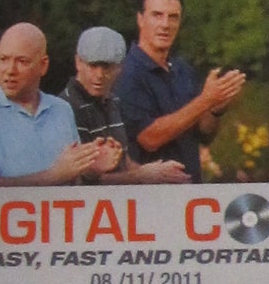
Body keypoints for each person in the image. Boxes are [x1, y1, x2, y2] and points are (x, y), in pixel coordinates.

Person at [0, 22, 120, 186]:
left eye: (22, 61)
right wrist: (53, 176)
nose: (10, 70)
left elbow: (73, 180)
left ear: (43, 65)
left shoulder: (61, 109)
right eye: (3, 59)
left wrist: (91, 170)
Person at [112, 0, 246, 185]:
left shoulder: (182, 69)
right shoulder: (127, 73)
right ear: (140, 19)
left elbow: (204, 134)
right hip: (151, 194)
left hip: (191, 191)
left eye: (173, 17)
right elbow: (149, 139)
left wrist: (216, 108)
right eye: (157, 15)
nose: (165, 24)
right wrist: (206, 100)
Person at [60, 27, 187, 181]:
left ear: (120, 67)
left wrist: (158, 172)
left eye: (107, 67)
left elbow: (122, 162)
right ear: (78, 62)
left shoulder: (113, 101)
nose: (99, 75)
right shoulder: (65, 109)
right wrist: (141, 175)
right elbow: (81, 181)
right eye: (93, 66)